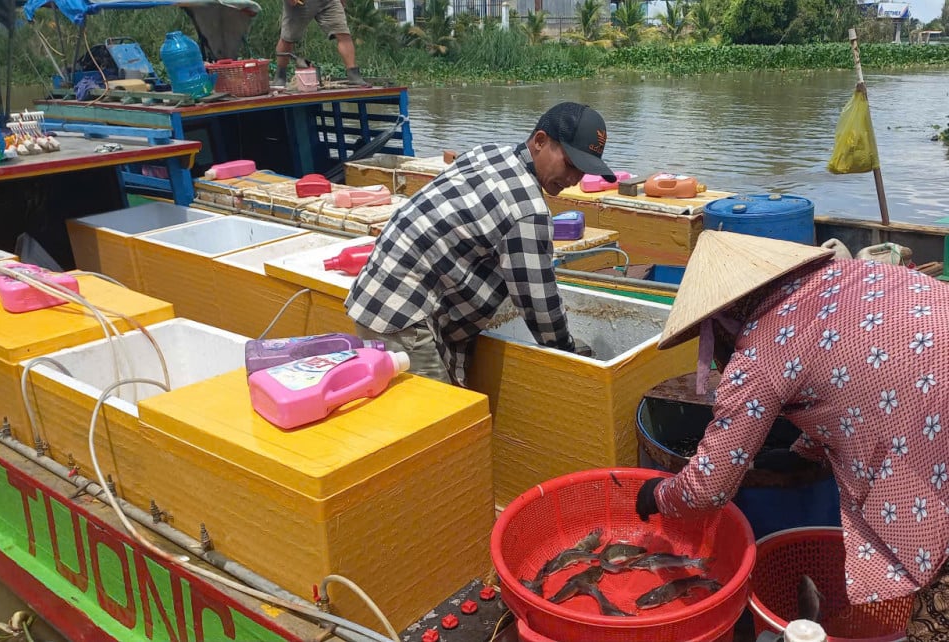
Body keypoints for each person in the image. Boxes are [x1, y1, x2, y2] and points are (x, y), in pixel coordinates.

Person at [634, 230, 949, 640]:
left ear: (725, 324)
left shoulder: (762, 352)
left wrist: (657, 496)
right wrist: (807, 450)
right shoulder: (854, 274)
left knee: (930, 590)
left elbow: (708, 489)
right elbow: (852, 384)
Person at [344, 102, 617, 385]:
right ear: (540, 141)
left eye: (584, 171)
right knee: (441, 422)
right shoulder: (528, 211)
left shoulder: (490, 153)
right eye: (571, 165)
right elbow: (541, 309)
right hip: (402, 315)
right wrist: (572, 355)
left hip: (376, 293)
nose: (574, 179)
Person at [274, 0, 367, 87]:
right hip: (301, 2)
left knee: (343, 33)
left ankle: (353, 74)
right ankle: (280, 75)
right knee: (288, 37)